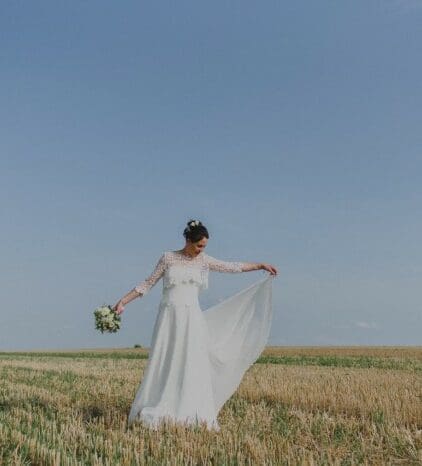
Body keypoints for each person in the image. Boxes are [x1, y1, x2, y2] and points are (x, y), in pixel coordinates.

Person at [112, 219, 278, 431]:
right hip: (169, 318)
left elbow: (232, 267)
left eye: (204, 246)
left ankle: (189, 408)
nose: (201, 250)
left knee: (190, 361)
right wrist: (123, 301)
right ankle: (162, 404)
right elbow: (147, 283)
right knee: (168, 359)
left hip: (192, 319)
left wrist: (259, 265)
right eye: (199, 245)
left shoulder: (204, 261)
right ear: (187, 240)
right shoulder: (168, 258)